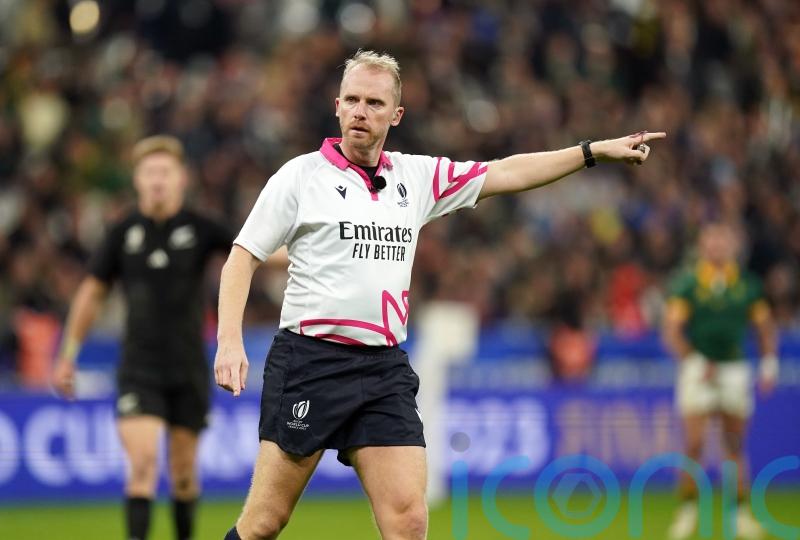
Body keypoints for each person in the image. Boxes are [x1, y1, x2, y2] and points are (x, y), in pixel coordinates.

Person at [213, 49, 665, 540]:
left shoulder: (416, 177)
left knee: (408, 523)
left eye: (375, 102)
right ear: (336, 106)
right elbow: (242, 257)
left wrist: (591, 152)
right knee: (264, 523)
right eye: (352, 100)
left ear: (396, 114)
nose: (361, 111)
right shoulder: (299, 177)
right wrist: (230, 341)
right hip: (311, 361)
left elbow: (506, 172)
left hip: (383, 369)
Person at [52, 135, 234, 540]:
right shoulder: (122, 233)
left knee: (184, 475)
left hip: (188, 368)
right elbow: (90, 293)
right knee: (144, 464)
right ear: (137, 180)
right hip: (139, 368)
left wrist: (309, 252)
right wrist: (68, 355)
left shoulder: (201, 228)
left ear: (181, 178)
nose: (157, 180)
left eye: (164, 172)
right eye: (149, 172)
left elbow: (251, 251)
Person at [663, 222, 779, 540]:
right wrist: (695, 359)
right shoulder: (687, 284)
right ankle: (687, 512)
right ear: (702, 247)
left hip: (733, 369)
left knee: (734, 444)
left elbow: (765, 327)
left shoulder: (747, 284)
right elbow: (671, 331)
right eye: (710, 241)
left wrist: (769, 364)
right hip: (698, 369)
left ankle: (739, 514)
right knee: (694, 444)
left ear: (731, 246)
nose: (716, 247)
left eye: (721, 240)